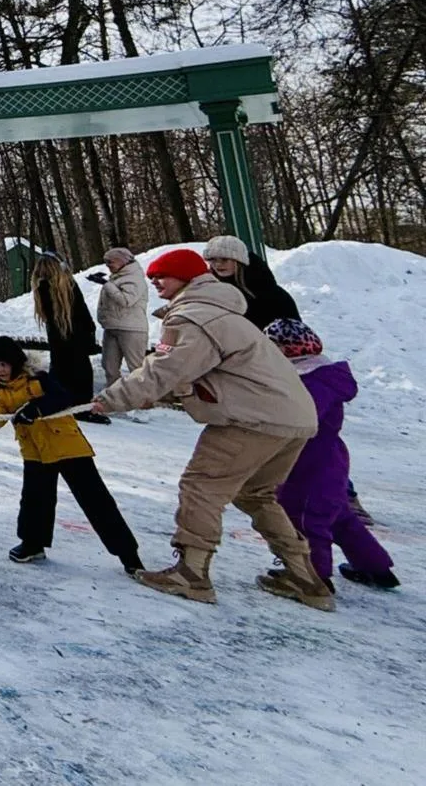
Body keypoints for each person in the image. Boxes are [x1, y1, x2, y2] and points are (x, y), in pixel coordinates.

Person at [91, 249, 333, 610]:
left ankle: (192, 574)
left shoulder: (195, 317)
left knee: (201, 486)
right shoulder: (219, 312)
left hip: (253, 418)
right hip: (293, 418)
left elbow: (165, 370)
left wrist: (110, 399)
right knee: (255, 494)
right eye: (154, 276)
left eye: (165, 276)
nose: (156, 282)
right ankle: (304, 576)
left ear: (187, 279)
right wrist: (162, 395)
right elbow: (195, 373)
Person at [0, 336, 142, 574]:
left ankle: (127, 553)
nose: (0, 370)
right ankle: (32, 544)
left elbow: (61, 398)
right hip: (35, 452)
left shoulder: (39, 379)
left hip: (68, 447)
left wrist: (36, 409)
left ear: (15, 362)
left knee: (95, 500)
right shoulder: (0, 391)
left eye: (3, 364)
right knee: (35, 500)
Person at [264, 319, 399, 591]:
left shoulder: (312, 381)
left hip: (309, 463)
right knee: (338, 516)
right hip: (327, 459)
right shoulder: (320, 375)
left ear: (287, 351)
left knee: (304, 517)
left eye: (270, 348)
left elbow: (301, 418)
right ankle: (376, 567)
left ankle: (314, 576)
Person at [32, 253, 106, 424]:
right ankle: (81, 408)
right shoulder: (67, 285)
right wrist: (90, 333)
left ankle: (58, 402)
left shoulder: (40, 288)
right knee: (81, 373)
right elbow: (81, 311)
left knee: (59, 370)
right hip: (76, 336)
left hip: (57, 338)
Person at [202, 235, 300, 331]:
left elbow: (295, 335)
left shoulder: (271, 293)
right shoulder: (210, 292)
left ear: (238, 261)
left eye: (224, 259)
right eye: (213, 260)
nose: (218, 264)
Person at [90, 247, 150, 389]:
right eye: (105, 263)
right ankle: (114, 395)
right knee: (109, 365)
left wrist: (106, 284)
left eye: (110, 262)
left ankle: (143, 398)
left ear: (122, 261)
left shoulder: (135, 279)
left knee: (136, 367)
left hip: (132, 329)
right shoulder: (116, 278)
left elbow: (126, 300)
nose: (108, 266)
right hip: (111, 327)